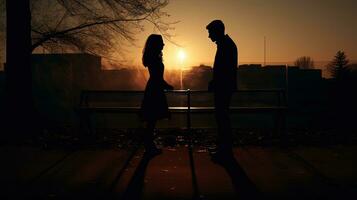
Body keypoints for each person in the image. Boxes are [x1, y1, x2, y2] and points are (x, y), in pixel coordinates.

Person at [206, 20, 238, 162]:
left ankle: (224, 150)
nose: (209, 36)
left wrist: (215, 82)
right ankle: (224, 148)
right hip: (224, 87)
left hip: (223, 88)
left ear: (216, 31)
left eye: (210, 32)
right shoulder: (227, 44)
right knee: (222, 117)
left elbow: (224, 70)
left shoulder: (225, 46)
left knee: (222, 118)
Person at [140, 34, 174, 157]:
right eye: (161, 42)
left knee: (151, 119)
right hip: (155, 90)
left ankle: (149, 145)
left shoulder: (152, 56)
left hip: (154, 88)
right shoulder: (155, 58)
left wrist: (164, 84)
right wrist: (167, 85)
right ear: (156, 44)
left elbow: (156, 77)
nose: (163, 44)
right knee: (152, 119)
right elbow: (157, 77)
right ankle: (149, 146)